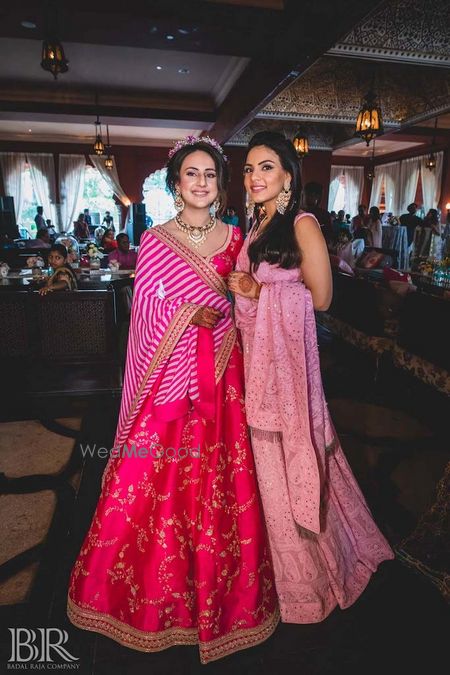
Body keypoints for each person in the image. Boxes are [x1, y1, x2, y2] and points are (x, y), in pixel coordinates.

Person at [67, 136, 279, 663]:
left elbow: (253, 299)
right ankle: (138, 596)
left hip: (226, 377)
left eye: (210, 174)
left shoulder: (238, 238)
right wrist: (188, 317)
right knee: (147, 476)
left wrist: (244, 297)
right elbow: (145, 316)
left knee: (222, 481)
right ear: (175, 183)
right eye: (192, 174)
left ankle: (224, 597)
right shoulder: (158, 241)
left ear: (221, 185)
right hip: (168, 381)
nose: (201, 183)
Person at [228, 131, 393, 624]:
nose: (255, 177)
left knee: (296, 466)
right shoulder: (257, 228)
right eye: (249, 169)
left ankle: (314, 582)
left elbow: (320, 299)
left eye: (266, 168)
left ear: (287, 176)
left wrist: (260, 293)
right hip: (257, 368)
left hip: (289, 378)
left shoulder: (301, 224)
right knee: (268, 478)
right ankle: (278, 579)